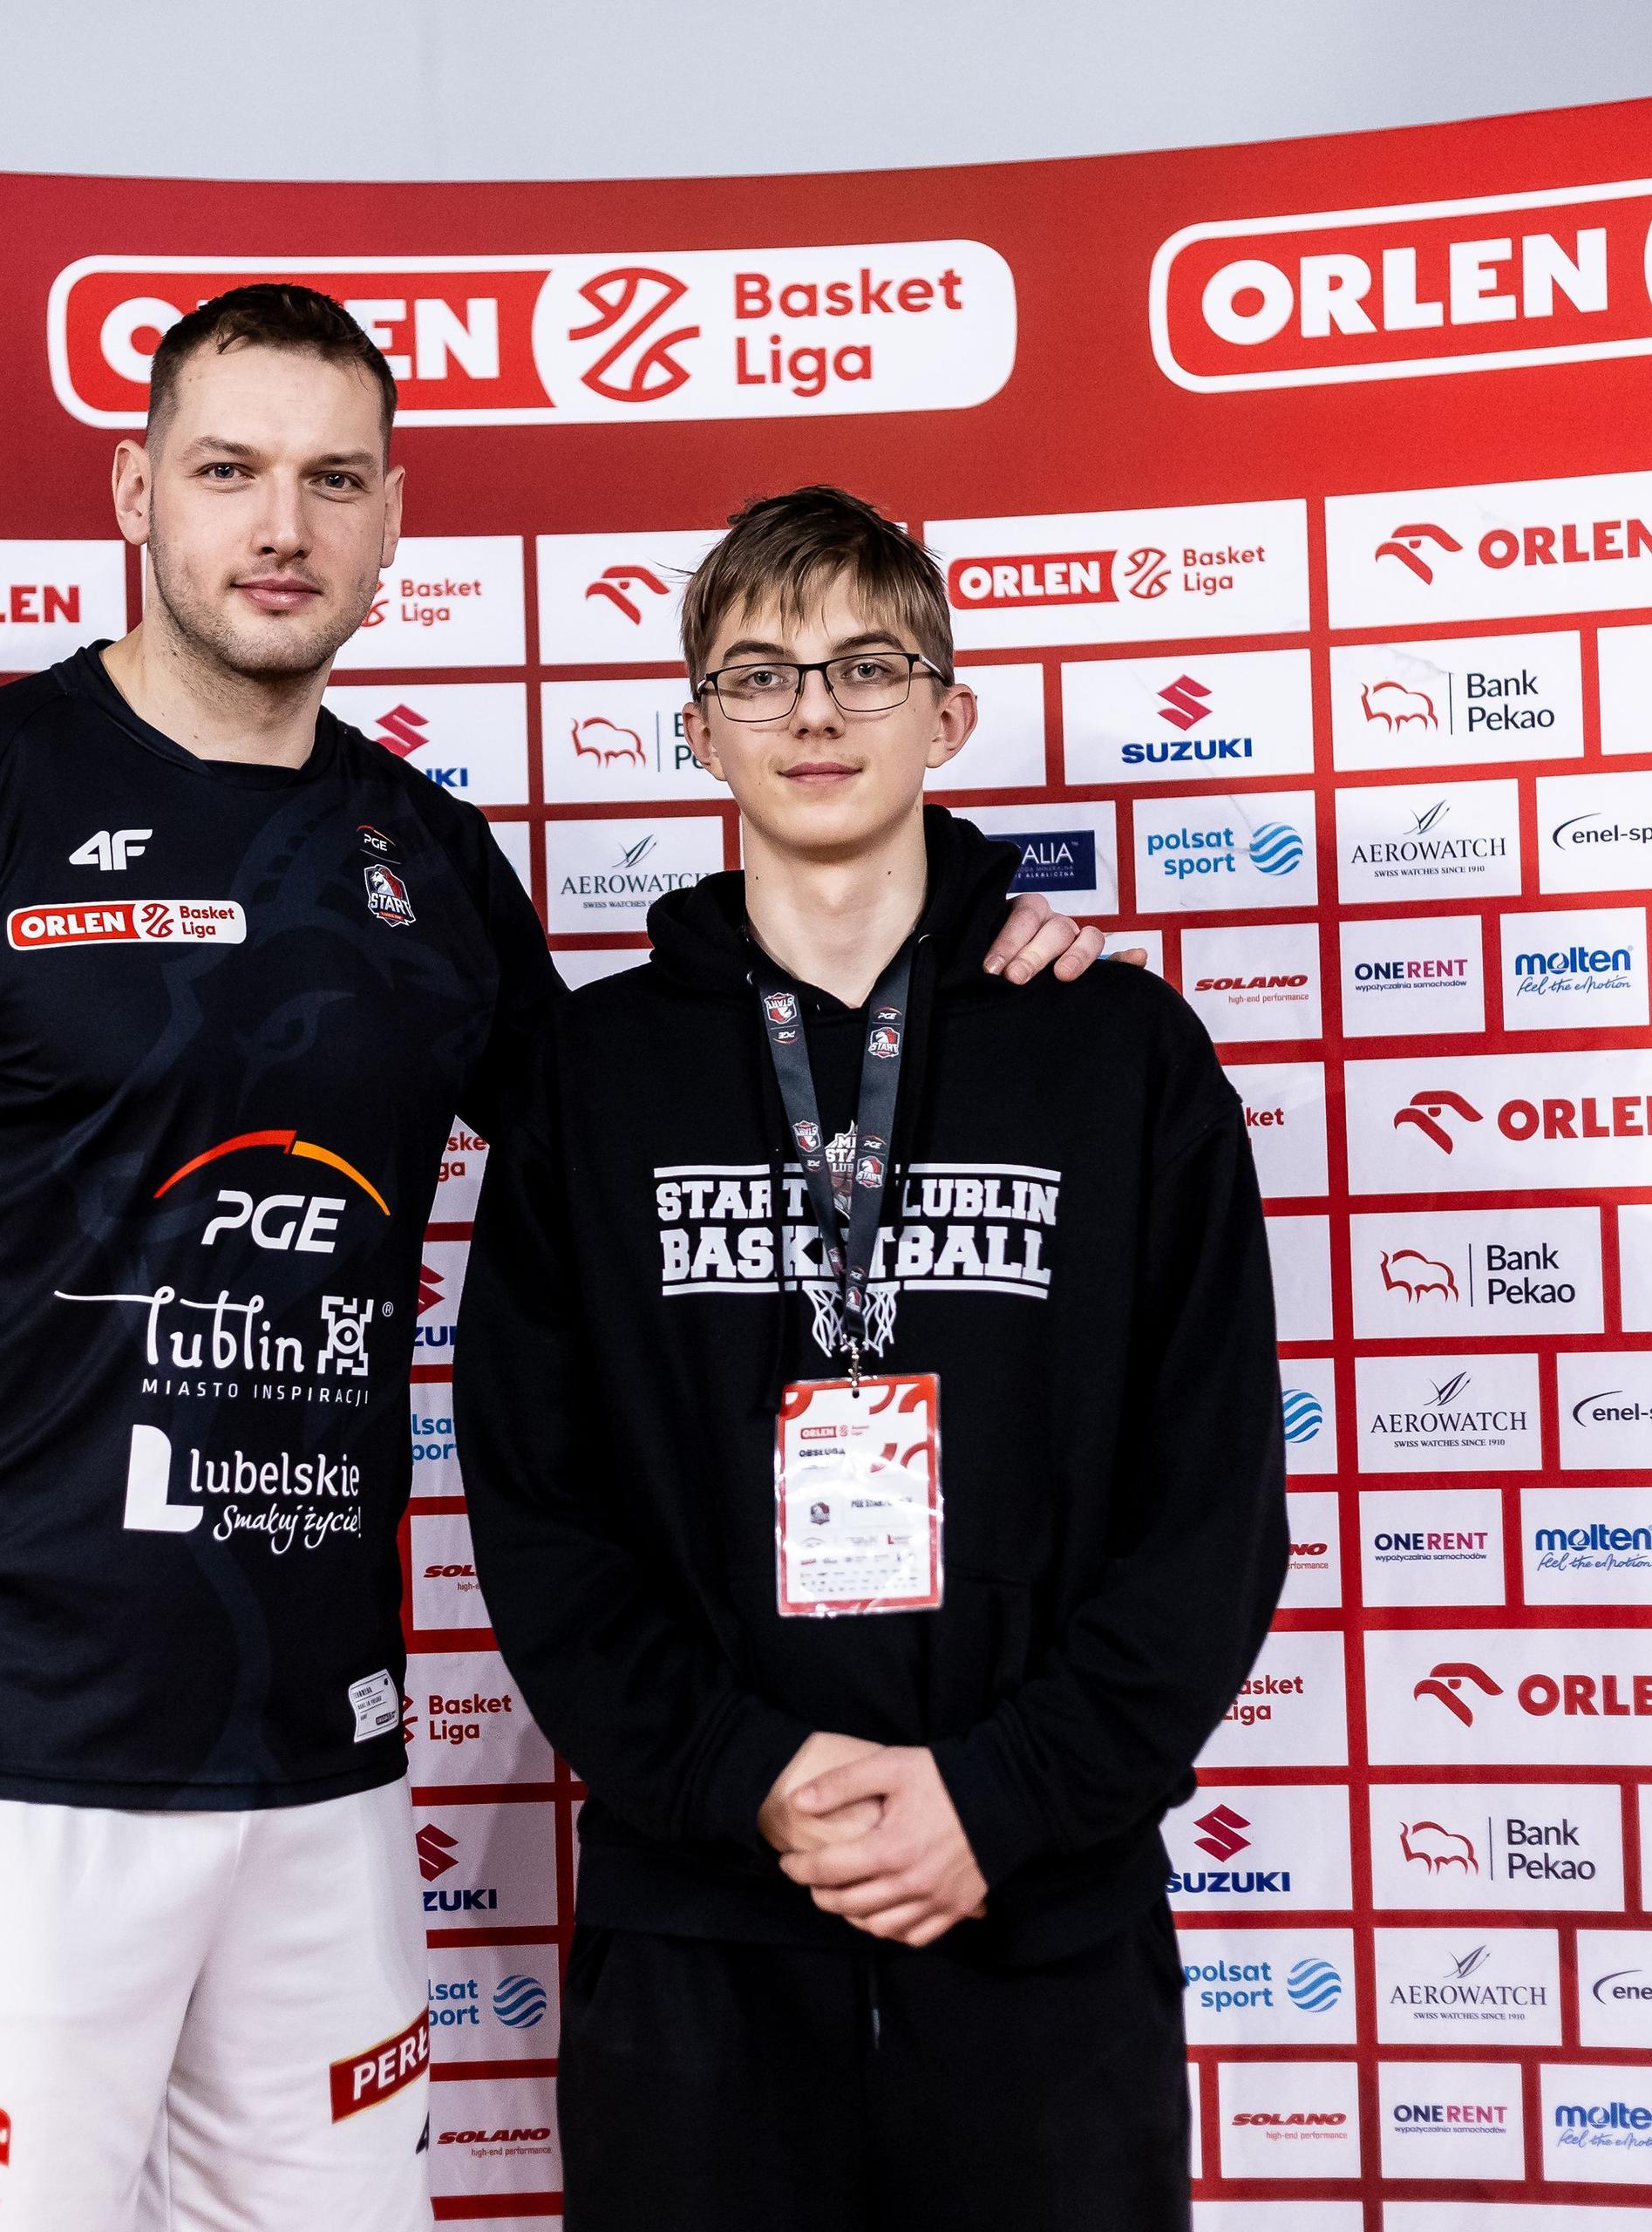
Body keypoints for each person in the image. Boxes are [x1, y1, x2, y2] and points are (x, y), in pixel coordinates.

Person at [0, 289, 1109, 2232]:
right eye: (230, 471)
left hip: (325, 1776)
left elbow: (657, 1129)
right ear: (135, 491)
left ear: (393, 516)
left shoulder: (423, 857)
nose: (284, 527)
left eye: (334, 480)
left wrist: (969, 959)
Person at [456, 485, 1289, 2229]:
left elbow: (1212, 1506)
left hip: (1040, 1915)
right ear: (698, 730)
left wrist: (1000, 1796)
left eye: (867, 664)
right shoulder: (592, 1082)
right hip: (699, 1936)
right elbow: (539, 1511)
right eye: (759, 673)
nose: (816, 711)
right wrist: (750, 1774)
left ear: (947, 712)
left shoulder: (1118, 1054)